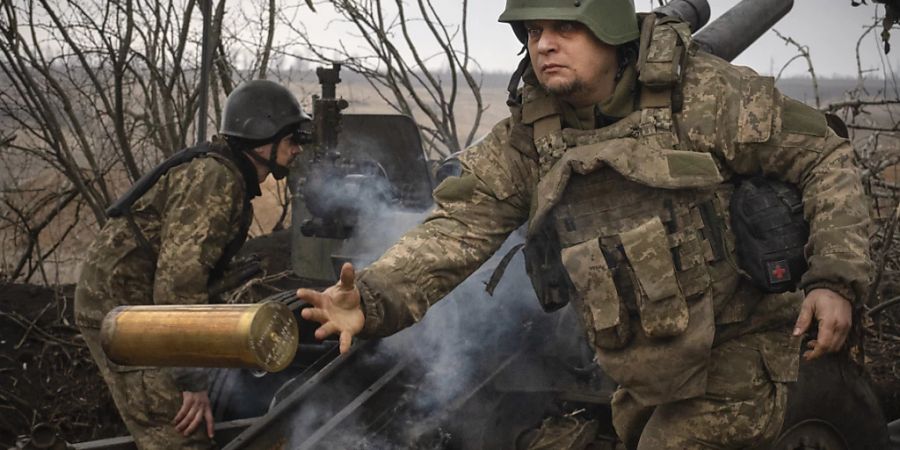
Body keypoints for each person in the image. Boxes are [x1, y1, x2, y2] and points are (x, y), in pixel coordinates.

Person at [297, 1, 872, 448]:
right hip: (646, 371)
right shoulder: (530, 138)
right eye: (531, 32)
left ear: (609, 29)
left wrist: (834, 280)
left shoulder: (704, 95)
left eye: (563, 28)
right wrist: (370, 299)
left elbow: (823, 156)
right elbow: (453, 231)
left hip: (743, 347)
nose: (543, 45)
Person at [75, 79, 309, 449]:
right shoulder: (215, 178)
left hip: (143, 308)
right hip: (122, 314)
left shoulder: (227, 175)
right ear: (261, 136)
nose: (297, 149)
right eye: (292, 138)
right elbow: (177, 285)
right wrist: (192, 382)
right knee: (180, 436)